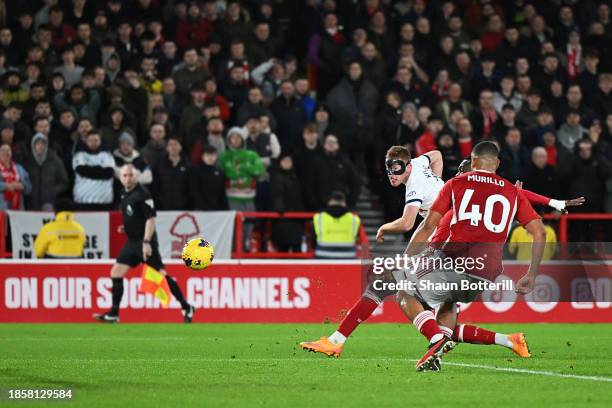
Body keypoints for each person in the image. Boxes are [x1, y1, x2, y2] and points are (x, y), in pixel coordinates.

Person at [396, 141, 546, 371]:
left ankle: (437, 340)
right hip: (487, 273)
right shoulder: (512, 191)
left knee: (405, 292)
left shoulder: (456, 183)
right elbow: (539, 232)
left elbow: (427, 227)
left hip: (454, 260)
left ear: (473, 161)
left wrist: (406, 258)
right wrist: (531, 275)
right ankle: (437, 351)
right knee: (447, 303)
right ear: (497, 163)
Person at [300, 146, 443, 357]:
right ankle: (443, 338)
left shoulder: (414, 184)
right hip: (446, 241)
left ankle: (336, 341)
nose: (392, 174)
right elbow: (437, 155)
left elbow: (407, 223)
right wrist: (437, 185)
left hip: (442, 243)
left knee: (384, 286)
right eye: (388, 169)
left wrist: (384, 227)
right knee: (414, 296)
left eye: (397, 169)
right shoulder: (420, 164)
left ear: (408, 166)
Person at [94, 164, 194, 323]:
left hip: (145, 243)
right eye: (125, 175)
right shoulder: (123, 193)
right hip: (132, 242)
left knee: (161, 276)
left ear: (136, 177)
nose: (128, 178)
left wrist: (146, 242)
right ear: (120, 178)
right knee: (116, 272)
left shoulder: (143, 194)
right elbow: (135, 216)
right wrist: (126, 227)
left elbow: (151, 218)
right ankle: (114, 313)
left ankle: (186, 306)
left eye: (131, 175)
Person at [23, 133, 69, 210]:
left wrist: (53, 191)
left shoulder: (55, 160)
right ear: (33, 145)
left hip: (49, 202)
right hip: (31, 202)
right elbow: (23, 179)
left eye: (43, 144)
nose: (40, 146)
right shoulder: (27, 161)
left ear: (46, 145)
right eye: (37, 143)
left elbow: (64, 182)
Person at [72, 129, 115, 210]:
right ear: (86, 141)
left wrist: (89, 169)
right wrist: (100, 169)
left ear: (100, 141)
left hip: (104, 202)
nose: (93, 143)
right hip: (82, 201)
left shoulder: (107, 156)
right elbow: (81, 170)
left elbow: (108, 173)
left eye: (96, 140)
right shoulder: (79, 155)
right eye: (90, 140)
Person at [270, 154, 305, 252]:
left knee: (297, 249)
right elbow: (276, 195)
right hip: (282, 219)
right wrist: (280, 210)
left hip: (295, 219)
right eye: (284, 160)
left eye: (289, 161)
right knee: (282, 249)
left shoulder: (296, 177)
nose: (287, 163)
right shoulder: (276, 177)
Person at [312, 191, 360, 259]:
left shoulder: (318, 217)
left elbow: (313, 241)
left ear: (330, 201)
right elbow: (357, 239)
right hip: (348, 257)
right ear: (344, 202)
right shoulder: (354, 219)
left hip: (323, 257)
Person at [151, 138, 190, 210]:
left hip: (183, 206)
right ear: (167, 148)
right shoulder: (159, 164)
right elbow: (155, 186)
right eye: (170, 145)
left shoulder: (188, 165)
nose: (173, 147)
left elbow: (190, 186)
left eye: (175, 144)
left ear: (180, 147)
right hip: (163, 206)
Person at [190, 145, 228, 211]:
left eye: (213, 155)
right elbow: (195, 191)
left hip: (216, 209)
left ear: (216, 156)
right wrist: (205, 207)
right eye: (207, 155)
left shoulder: (219, 172)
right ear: (202, 157)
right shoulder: (195, 171)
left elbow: (222, 193)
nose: (210, 157)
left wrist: (226, 209)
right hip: (200, 209)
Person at [0, 143, 31, 210]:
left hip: (18, 209)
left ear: (11, 153)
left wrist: (23, 186)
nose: (6, 153)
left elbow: (29, 186)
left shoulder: (19, 169)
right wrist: (6, 186)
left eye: (8, 150)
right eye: (3, 150)